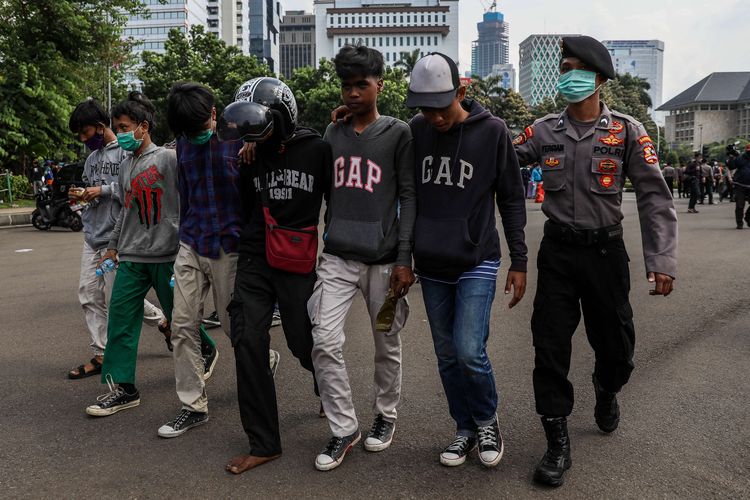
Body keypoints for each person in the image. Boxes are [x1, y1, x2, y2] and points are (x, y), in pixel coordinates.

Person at [513, 36, 677, 487]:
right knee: (549, 347)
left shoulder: (627, 131)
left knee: (617, 348)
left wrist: (660, 257)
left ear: (599, 78)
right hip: (559, 252)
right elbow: (499, 156)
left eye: (576, 68)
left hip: (606, 254)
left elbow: (654, 197)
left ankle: (607, 390)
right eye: (563, 68)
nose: (567, 76)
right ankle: (556, 441)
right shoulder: (543, 130)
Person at [405, 53, 528, 467]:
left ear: (461, 91)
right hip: (432, 265)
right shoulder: (415, 131)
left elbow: (511, 198)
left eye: (440, 107)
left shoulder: (492, 132)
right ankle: (465, 427)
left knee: (469, 350)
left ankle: (487, 419)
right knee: (445, 354)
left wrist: (520, 260)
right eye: (424, 108)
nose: (433, 117)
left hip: (478, 259)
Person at [214, 78, 330, 473]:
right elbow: (248, 207)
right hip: (255, 256)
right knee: (246, 338)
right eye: (246, 127)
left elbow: (336, 202)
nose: (251, 132)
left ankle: (325, 384)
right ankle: (263, 442)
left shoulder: (317, 150)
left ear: (282, 118)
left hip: (297, 261)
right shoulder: (250, 155)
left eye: (259, 124)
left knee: (302, 339)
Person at [310, 44, 416, 471]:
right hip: (337, 255)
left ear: (379, 85)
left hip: (385, 260)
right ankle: (343, 428)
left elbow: (408, 196)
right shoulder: (332, 133)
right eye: (346, 85)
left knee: (385, 342)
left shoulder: (398, 133)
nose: (353, 92)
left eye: (361, 84)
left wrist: (405, 257)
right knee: (324, 339)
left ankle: (385, 416)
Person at [84, 92, 216, 417]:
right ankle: (123, 389)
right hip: (131, 256)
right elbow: (126, 211)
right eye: (117, 127)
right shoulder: (125, 166)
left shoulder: (168, 160)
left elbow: (189, 202)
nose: (121, 133)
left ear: (143, 127)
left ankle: (207, 350)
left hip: (168, 255)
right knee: (120, 321)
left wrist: (188, 241)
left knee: (180, 319)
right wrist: (113, 247)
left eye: (125, 127)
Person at [156, 82, 265, 438]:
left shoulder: (241, 139)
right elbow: (184, 194)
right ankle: (193, 405)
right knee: (182, 325)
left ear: (215, 114)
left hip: (230, 247)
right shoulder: (183, 144)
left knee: (237, 330)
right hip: (191, 242)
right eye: (187, 131)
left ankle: (266, 360)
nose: (195, 135)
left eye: (200, 127)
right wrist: (180, 244)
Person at [67, 98, 168, 379]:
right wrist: (82, 197)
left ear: (100, 127)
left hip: (118, 239)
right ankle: (101, 352)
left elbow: (132, 189)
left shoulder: (126, 152)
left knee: (119, 300)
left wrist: (103, 190)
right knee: (88, 294)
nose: (83, 139)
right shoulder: (91, 159)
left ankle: (162, 321)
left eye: (85, 133)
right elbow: (91, 191)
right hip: (93, 236)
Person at [727, 143, 750, 229]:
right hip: (740, 184)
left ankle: (748, 218)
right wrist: (731, 156)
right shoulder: (740, 158)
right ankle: (739, 223)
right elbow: (731, 166)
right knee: (740, 205)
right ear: (746, 150)